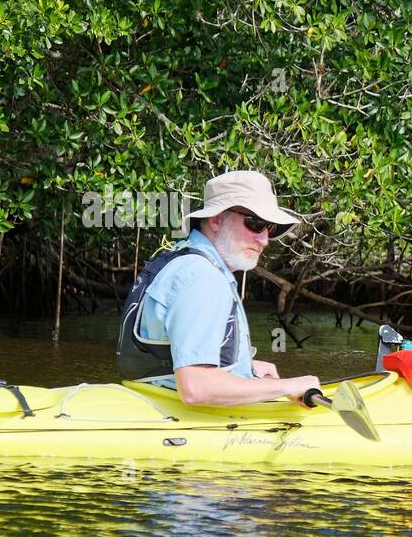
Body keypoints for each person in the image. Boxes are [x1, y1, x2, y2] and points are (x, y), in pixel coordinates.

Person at [116, 170, 322, 407]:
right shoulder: (202, 277)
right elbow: (196, 387)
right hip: (182, 420)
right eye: (255, 224)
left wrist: (245, 368)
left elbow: (170, 357)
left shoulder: (185, 259)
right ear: (216, 220)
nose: (265, 240)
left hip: (152, 400)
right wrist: (288, 386)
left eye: (270, 228)